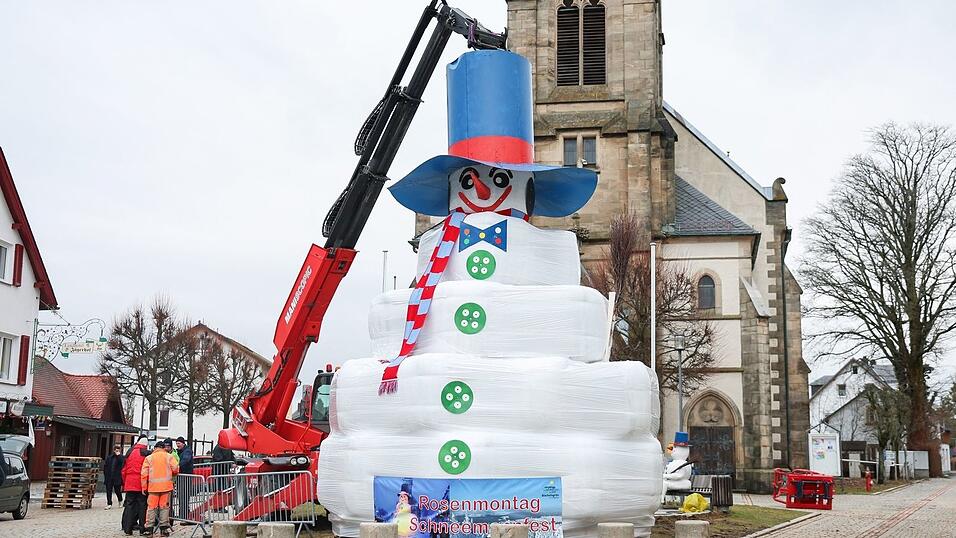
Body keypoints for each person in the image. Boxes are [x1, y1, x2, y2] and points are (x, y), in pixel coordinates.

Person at [141, 440, 179, 536]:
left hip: (153, 488)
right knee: (164, 508)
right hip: (166, 487)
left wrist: (144, 487)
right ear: (163, 448)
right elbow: (175, 468)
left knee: (151, 508)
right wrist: (172, 474)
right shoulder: (169, 457)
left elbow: (144, 474)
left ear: (155, 448)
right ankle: (164, 529)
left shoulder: (149, 458)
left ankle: (149, 529)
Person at [121, 437, 149, 536]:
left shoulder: (129, 452)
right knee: (142, 506)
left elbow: (123, 470)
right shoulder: (145, 453)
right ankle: (142, 529)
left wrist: (125, 483)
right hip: (141, 483)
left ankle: (128, 529)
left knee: (129, 506)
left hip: (129, 482)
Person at [174, 437, 194, 523]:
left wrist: (177, 466)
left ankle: (185, 515)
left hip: (186, 476)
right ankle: (183, 514)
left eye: (179, 443)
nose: (177, 445)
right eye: (176, 443)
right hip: (180, 476)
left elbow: (186, 460)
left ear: (183, 443)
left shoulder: (187, 451)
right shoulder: (178, 451)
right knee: (181, 496)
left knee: (184, 495)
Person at [103, 444, 125, 510]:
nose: (116, 450)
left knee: (117, 490)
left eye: (118, 449)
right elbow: (105, 466)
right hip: (109, 477)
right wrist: (106, 475)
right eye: (115, 449)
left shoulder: (121, 457)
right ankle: (109, 503)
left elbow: (123, 463)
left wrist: (119, 456)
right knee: (108, 491)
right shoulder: (109, 457)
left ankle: (120, 500)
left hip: (117, 477)